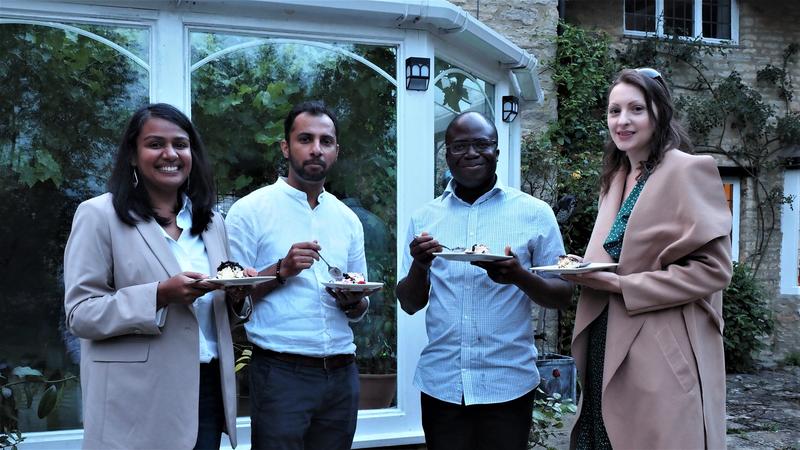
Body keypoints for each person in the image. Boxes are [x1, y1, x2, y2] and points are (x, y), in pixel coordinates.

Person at [63, 103, 255, 449]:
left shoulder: (212, 222)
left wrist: (237, 295)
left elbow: (216, 314)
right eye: (155, 144)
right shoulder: (98, 215)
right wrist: (158, 295)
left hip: (206, 390)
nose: (171, 154)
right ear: (133, 156)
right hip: (134, 400)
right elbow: (81, 315)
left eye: (181, 144)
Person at [563, 68, 733, 449]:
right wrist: (586, 269)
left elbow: (715, 270)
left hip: (658, 348)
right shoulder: (618, 175)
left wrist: (623, 285)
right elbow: (618, 254)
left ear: (660, 112)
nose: (622, 121)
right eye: (614, 111)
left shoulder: (689, 169)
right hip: (605, 336)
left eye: (636, 109)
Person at [396, 111, 573, 450]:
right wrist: (420, 266)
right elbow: (410, 303)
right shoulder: (425, 218)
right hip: (442, 384)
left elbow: (562, 294)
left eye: (481, 144)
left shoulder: (534, 213)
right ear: (446, 154)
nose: (471, 153)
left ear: (497, 152)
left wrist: (518, 276)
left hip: (507, 383)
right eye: (460, 145)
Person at [225, 100, 377, 450]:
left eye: (326, 141)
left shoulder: (347, 219)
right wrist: (281, 270)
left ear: (336, 151)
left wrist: (354, 302)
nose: (316, 149)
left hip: (342, 372)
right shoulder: (250, 211)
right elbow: (230, 298)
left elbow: (360, 300)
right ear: (285, 147)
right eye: (305, 139)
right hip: (281, 373)